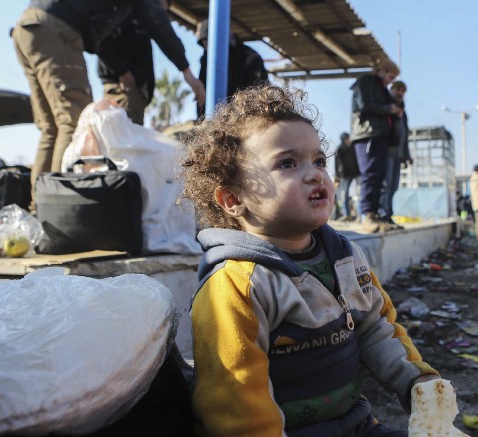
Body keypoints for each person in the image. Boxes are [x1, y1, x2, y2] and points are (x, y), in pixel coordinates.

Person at [180, 85, 440, 436]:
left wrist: (417, 381)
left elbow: (376, 328)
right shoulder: (236, 285)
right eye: (287, 163)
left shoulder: (346, 258)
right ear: (232, 199)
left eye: (319, 161)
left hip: (358, 425)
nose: (316, 174)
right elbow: (234, 403)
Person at [12, 0, 205, 190]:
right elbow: (152, 13)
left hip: (29, 27)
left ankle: (37, 207)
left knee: (52, 127)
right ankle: (56, 207)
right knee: (74, 121)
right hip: (58, 30)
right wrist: (186, 70)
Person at [97, 0, 170, 125]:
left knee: (132, 135)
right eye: (159, 7)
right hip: (122, 90)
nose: (161, 15)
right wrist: (122, 72)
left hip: (136, 93)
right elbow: (102, 42)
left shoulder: (144, 28)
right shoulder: (123, 13)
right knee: (120, 136)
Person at [350, 60, 403, 233]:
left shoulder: (382, 88)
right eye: (390, 77)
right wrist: (389, 109)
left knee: (380, 177)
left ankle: (377, 216)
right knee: (370, 175)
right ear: (381, 71)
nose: (391, 81)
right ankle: (367, 215)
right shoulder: (366, 82)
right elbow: (365, 105)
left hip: (380, 136)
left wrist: (395, 109)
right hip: (368, 134)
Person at [195, 19, 269, 120]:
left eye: (208, 43)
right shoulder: (206, 59)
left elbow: (259, 96)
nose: (208, 49)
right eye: (205, 45)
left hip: (246, 120)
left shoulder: (251, 58)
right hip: (212, 120)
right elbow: (202, 94)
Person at [379, 80, 412, 227]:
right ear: (392, 90)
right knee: (385, 185)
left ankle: (388, 215)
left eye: (402, 91)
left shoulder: (402, 112)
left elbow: (405, 134)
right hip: (386, 151)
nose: (400, 94)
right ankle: (382, 214)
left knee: (393, 186)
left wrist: (407, 155)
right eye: (398, 90)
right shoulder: (386, 106)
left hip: (398, 154)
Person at [335, 132, 360, 221]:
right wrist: (337, 180)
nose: (348, 140)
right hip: (345, 175)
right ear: (343, 140)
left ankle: (360, 216)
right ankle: (347, 215)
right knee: (344, 194)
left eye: (349, 138)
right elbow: (336, 166)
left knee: (359, 193)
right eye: (346, 139)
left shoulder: (354, 147)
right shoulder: (339, 149)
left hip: (357, 173)